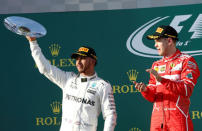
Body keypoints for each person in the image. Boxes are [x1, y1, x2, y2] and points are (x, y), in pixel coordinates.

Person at [26, 36, 117, 131]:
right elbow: (45, 68)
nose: (78, 62)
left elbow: (110, 115)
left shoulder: (103, 86)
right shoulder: (68, 79)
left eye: (83, 58)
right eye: (77, 59)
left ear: (93, 61)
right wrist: (33, 43)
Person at [134, 25, 200, 131]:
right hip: (157, 120)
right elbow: (152, 97)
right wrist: (145, 90)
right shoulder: (156, 65)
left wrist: (162, 80)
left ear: (169, 41)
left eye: (158, 41)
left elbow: (187, 90)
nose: (155, 45)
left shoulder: (187, 61)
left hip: (177, 120)